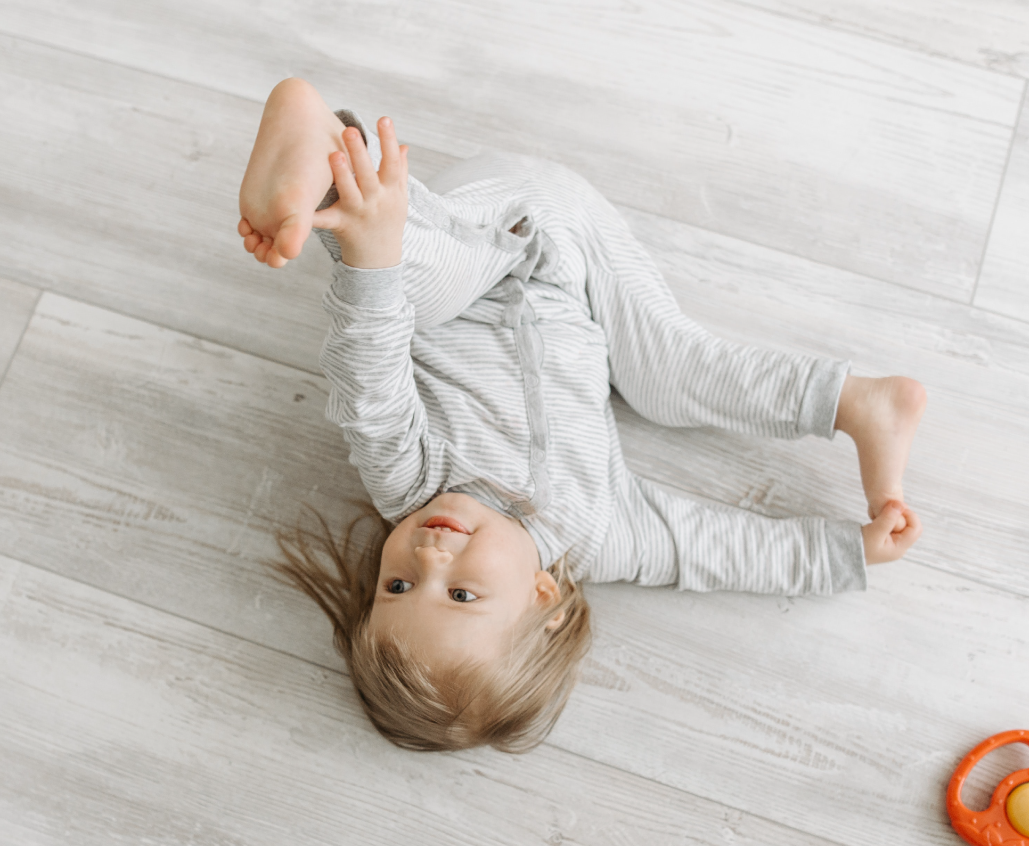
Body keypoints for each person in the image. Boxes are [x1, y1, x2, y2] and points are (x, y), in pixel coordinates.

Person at [243, 79, 926, 753]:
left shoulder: (408, 481)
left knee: (406, 292)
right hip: (570, 252)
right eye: (460, 594)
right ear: (543, 595)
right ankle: (852, 400)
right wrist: (848, 552)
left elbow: (369, 381)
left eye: (397, 585)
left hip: (485, 233)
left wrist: (372, 265)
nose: (428, 554)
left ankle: (331, 168)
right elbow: (718, 551)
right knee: (671, 375)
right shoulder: (599, 533)